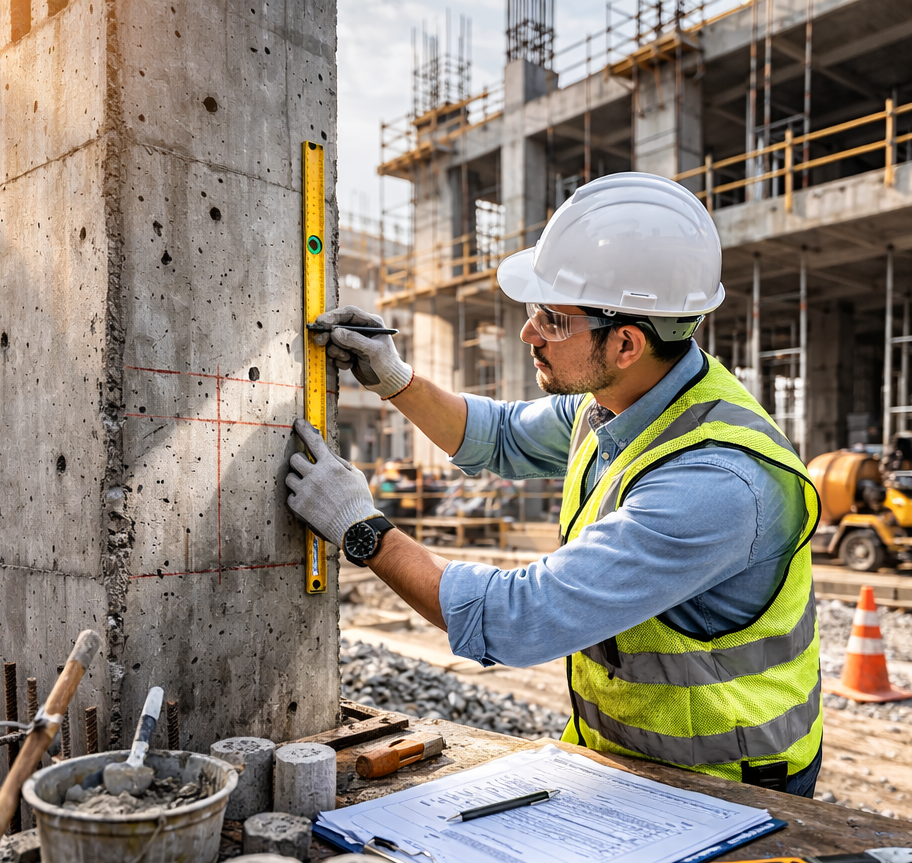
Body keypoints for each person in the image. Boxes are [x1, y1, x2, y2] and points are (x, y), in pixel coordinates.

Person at [285, 173, 822, 796]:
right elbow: (504, 434)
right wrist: (394, 379)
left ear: (625, 342)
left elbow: (519, 617)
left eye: (554, 319)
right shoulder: (623, 401)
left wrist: (362, 531)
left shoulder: (717, 483)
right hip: (637, 761)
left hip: (725, 785)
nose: (528, 331)